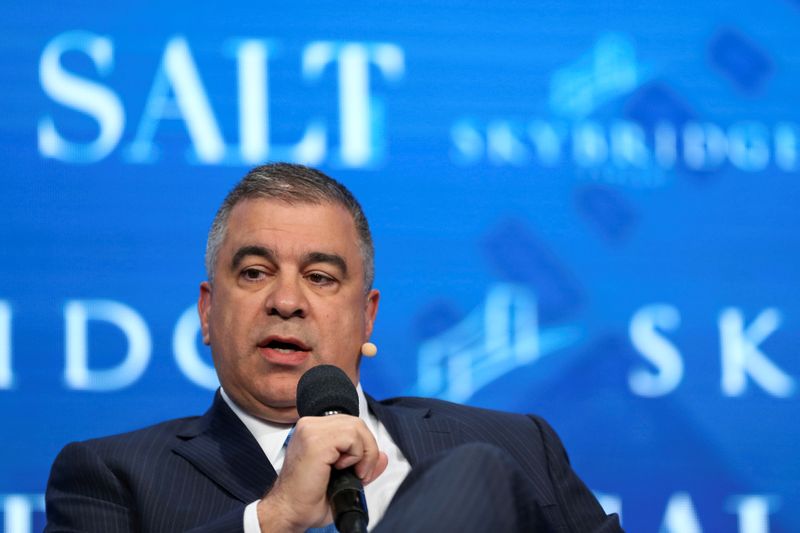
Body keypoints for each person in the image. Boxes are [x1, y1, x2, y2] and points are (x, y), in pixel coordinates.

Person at [45, 163, 623, 532]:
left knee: (472, 471)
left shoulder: (520, 445)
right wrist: (273, 519)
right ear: (207, 311)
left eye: (321, 277)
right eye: (253, 273)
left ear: (367, 316)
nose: (287, 301)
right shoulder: (109, 476)